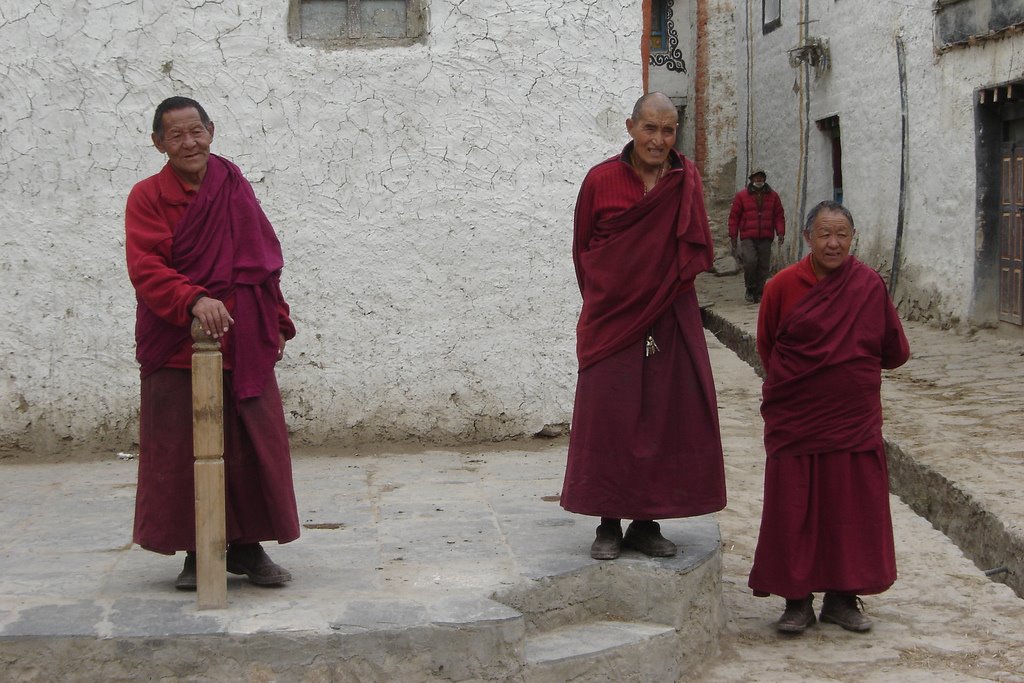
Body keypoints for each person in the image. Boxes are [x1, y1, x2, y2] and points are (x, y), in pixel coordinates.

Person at [125, 96, 300, 589]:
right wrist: (193, 298)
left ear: (212, 131)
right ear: (158, 143)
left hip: (243, 340)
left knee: (249, 446)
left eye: (196, 131)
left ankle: (248, 548)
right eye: (176, 135)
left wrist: (276, 322)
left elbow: (261, 260)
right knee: (179, 449)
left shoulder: (232, 184)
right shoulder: (148, 196)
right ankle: (194, 550)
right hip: (176, 341)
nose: (189, 143)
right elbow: (147, 268)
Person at [561, 92, 727, 560]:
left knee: (663, 414)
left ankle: (647, 521)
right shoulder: (602, 180)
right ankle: (608, 524)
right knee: (610, 416)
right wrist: (609, 301)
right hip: (612, 317)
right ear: (630, 126)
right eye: (650, 128)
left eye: (668, 130)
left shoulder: (684, 178)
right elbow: (584, 253)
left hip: (670, 313)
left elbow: (695, 247)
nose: (658, 140)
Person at [748, 200, 910, 633]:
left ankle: (842, 598)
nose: (833, 243)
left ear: (851, 239)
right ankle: (796, 601)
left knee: (850, 507)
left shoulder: (868, 285)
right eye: (825, 234)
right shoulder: (782, 286)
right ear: (807, 238)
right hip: (796, 416)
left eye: (842, 234)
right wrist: (800, 385)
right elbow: (767, 346)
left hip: (852, 418)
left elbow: (895, 351)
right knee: (793, 505)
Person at [728, 169, 785, 303]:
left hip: (766, 235)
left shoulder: (773, 196)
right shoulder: (741, 196)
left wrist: (780, 232)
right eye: (756, 178)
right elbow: (734, 217)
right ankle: (750, 287)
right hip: (748, 235)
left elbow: (779, 216)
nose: (758, 180)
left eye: (761, 178)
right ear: (751, 180)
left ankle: (759, 292)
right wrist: (733, 235)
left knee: (763, 265)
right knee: (750, 261)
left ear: (764, 179)